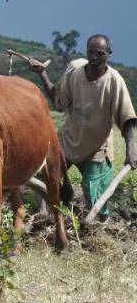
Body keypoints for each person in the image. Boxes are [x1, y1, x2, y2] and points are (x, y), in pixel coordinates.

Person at [27, 34, 137, 220]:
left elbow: (127, 119)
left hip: (97, 145)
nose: (94, 57)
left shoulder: (114, 81)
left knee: (93, 191)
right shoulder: (75, 74)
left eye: (100, 53)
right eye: (91, 52)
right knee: (48, 173)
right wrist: (42, 73)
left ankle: (96, 224)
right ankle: (42, 212)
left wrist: (131, 150)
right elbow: (58, 101)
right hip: (70, 138)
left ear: (109, 54)